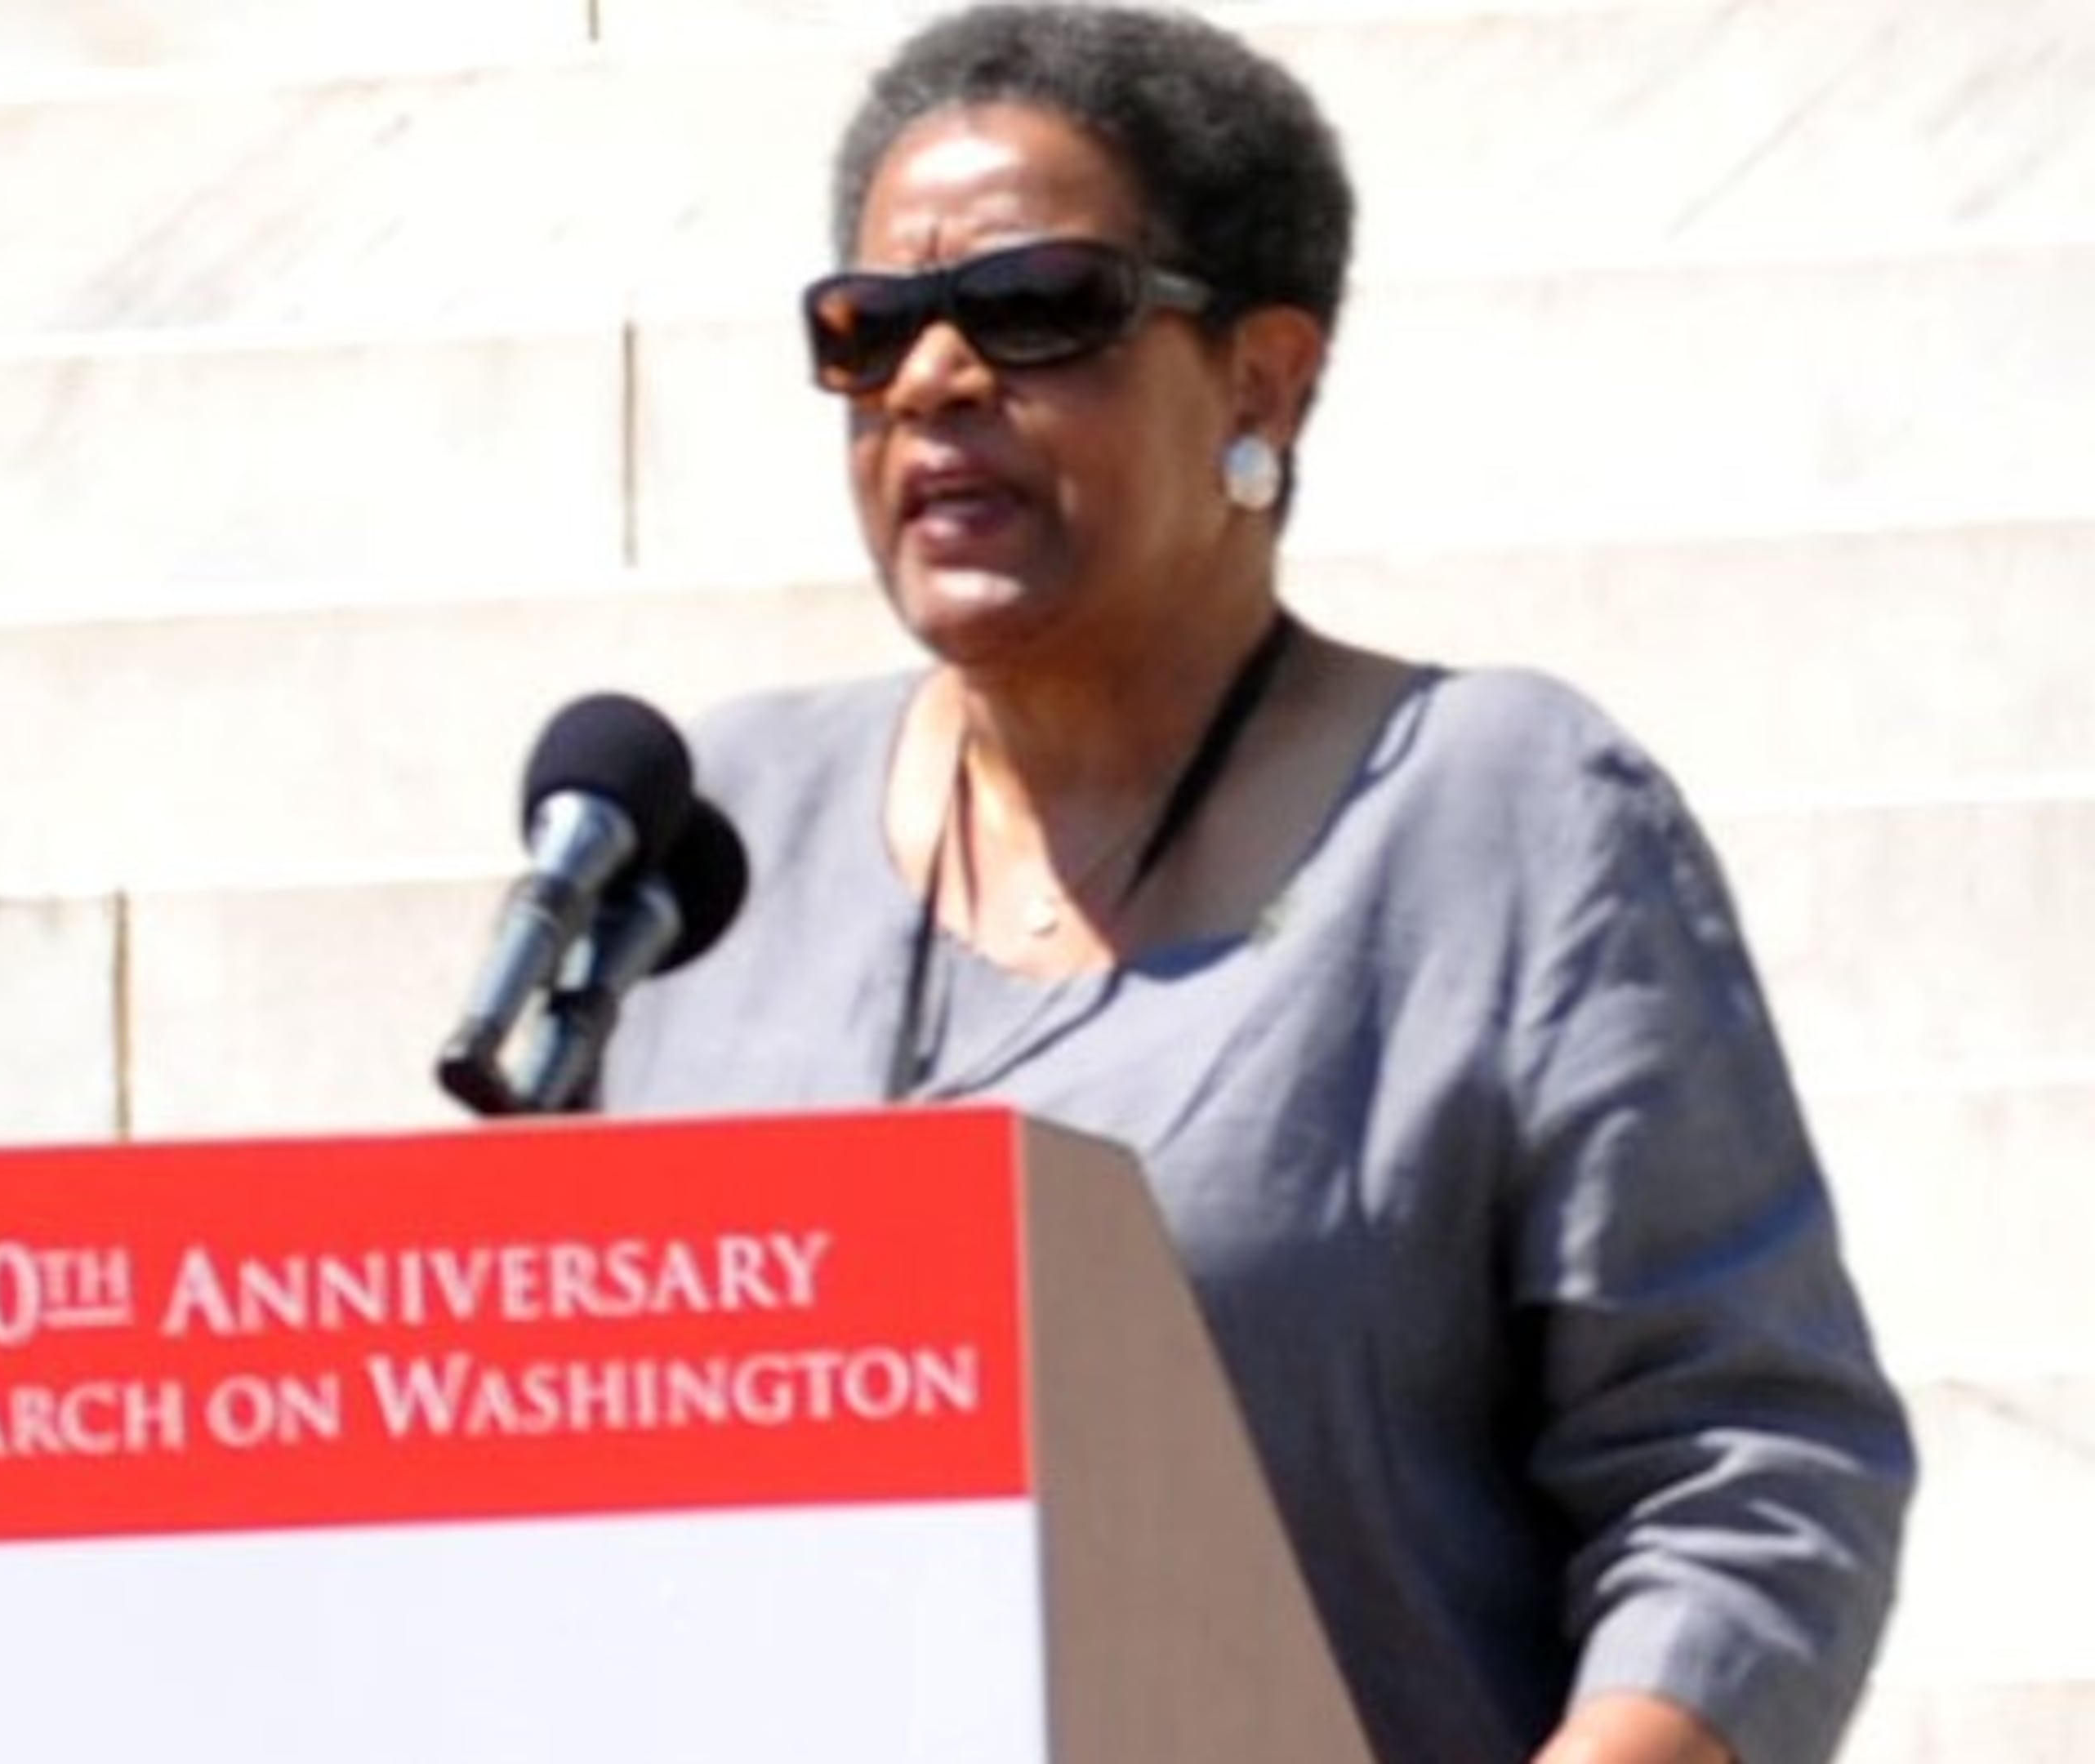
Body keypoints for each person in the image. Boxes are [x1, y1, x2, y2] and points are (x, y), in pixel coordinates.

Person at [592, 6, 1914, 1760]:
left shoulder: (1495, 815)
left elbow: (1747, 1469)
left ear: (1262, 382)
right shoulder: (716, 833)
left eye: (1034, 309)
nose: (931, 383)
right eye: (871, 332)